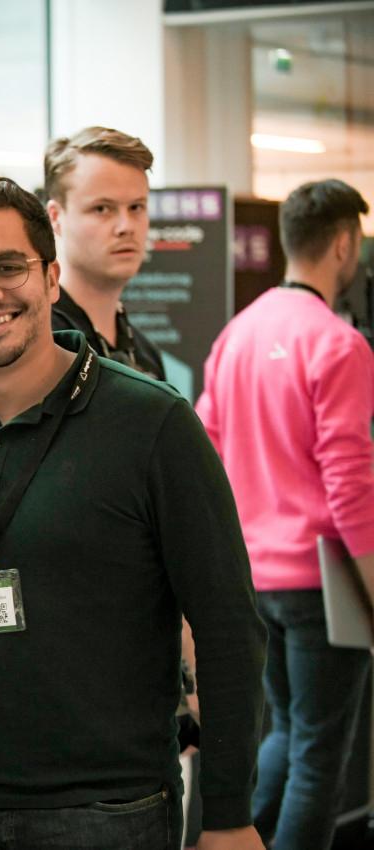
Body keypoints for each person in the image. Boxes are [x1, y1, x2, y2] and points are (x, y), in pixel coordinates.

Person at [0, 176, 265, 850]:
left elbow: (228, 628)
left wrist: (229, 816)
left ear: (51, 276)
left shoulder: (154, 425)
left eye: (9, 266)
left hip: (106, 813)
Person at [196, 179, 374, 850]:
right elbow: (350, 484)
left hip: (252, 576)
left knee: (288, 733)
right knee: (320, 755)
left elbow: (206, 452)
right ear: (343, 244)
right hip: (322, 579)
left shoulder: (237, 334)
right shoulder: (339, 343)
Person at [45, 126, 166, 379]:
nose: (126, 227)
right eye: (102, 209)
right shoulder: (41, 345)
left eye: (136, 207)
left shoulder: (145, 354)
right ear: (56, 218)